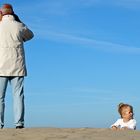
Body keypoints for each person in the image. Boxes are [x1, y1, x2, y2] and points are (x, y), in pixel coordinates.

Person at [0, 4, 34, 129]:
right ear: (13, 12)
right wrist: (19, 21)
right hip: (17, 65)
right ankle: (19, 123)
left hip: (1, 65)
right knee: (18, 95)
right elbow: (30, 35)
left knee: (0, 97)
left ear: (1, 13)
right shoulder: (19, 25)